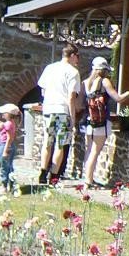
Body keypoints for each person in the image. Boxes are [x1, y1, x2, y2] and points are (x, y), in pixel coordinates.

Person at [80, 56, 129, 187]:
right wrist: (128, 94)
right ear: (104, 70)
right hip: (101, 122)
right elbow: (118, 98)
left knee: (89, 150)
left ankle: (86, 177)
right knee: (95, 151)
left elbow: (80, 104)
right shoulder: (104, 81)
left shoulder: (85, 82)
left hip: (88, 121)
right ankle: (88, 180)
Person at [36, 44, 82, 186]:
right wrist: (73, 118)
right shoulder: (73, 72)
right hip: (63, 110)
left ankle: (43, 173)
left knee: (47, 142)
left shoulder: (50, 68)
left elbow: (42, 89)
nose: (78, 60)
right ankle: (54, 176)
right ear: (73, 55)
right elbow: (71, 97)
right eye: (78, 57)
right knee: (60, 145)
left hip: (49, 109)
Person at [0, 103, 21, 193]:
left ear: (9, 114)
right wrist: (0, 127)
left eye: (4, 113)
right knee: (9, 166)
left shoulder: (8, 124)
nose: (2, 114)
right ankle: (12, 185)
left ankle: (4, 186)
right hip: (9, 145)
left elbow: (9, 138)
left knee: (4, 166)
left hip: (5, 145)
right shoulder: (10, 123)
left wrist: (5, 151)